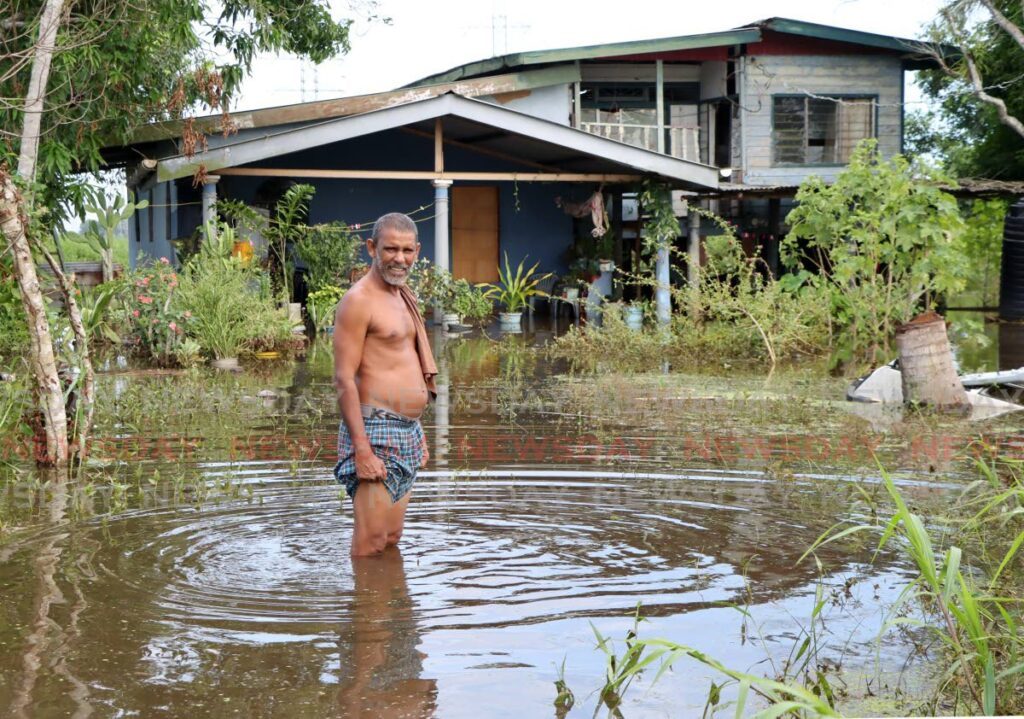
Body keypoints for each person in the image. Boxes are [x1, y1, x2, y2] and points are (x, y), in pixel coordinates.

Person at [333, 212, 437, 557]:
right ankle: (364, 609)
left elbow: (406, 362)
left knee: (392, 537)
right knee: (370, 541)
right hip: (375, 431)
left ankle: (388, 604)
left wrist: (416, 430)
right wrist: (362, 451)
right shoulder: (359, 301)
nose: (399, 258)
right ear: (371, 248)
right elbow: (344, 379)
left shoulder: (403, 296)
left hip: (405, 429)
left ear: (417, 251)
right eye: (390, 249)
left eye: (407, 250)